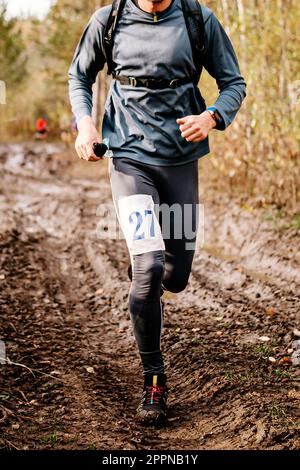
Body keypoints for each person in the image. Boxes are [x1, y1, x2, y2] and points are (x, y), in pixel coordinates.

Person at [68, 0, 246, 426]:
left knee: (176, 275)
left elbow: (234, 82)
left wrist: (213, 117)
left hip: (180, 160)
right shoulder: (108, 20)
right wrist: (86, 123)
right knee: (148, 265)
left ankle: (149, 277)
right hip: (128, 158)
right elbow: (80, 75)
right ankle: (153, 378)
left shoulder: (196, 19)